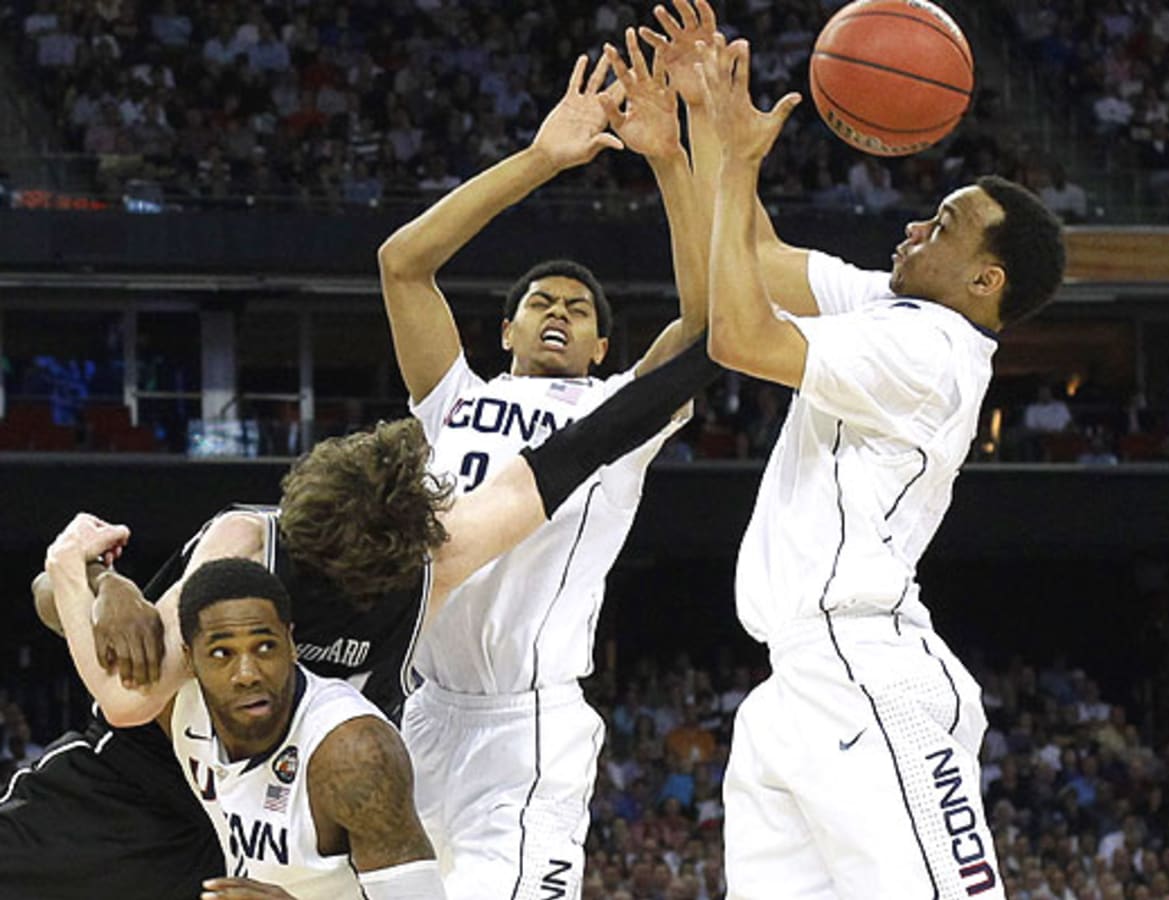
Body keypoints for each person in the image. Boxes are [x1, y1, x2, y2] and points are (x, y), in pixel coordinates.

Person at [4, 337, 718, 900]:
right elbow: (129, 694)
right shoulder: (246, 545)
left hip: (289, 825)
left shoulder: (430, 557)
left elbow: (584, 446)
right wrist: (93, 580)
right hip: (152, 783)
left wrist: (717, 350)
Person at [645, 5, 1065, 895]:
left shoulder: (929, 352)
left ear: (985, 280)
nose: (916, 228)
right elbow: (754, 254)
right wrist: (707, 116)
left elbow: (741, 336)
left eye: (943, 226)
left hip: (873, 676)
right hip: (795, 682)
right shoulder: (891, 305)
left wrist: (741, 160)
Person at [376, 50, 706, 898]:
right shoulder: (453, 396)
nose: (559, 312)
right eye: (541, 304)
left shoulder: (620, 408)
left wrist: (668, 159)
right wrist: (541, 159)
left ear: (601, 347)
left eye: (580, 310)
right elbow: (403, 263)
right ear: (507, 331)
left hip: (529, 726)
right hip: (423, 711)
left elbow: (713, 327)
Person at [42, 549, 437, 900]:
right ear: (188, 660)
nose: (247, 673)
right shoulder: (180, 702)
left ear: (291, 642)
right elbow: (48, 594)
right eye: (221, 653)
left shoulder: (353, 752)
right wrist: (109, 584)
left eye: (264, 646)